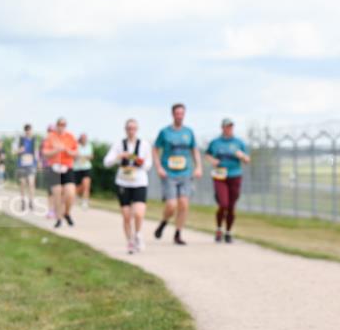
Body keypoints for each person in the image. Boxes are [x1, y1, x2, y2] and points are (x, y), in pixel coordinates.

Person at [153, 103, 201, 246]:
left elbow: (194, 150)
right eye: (177, 113)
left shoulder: (189, 132)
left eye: (182, 113)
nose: (179, 116)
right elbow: (155, 150)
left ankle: (178, 233)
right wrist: (159, 167)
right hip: (169, 173)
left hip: (185, 173)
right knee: (171, 205)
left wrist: (198, 167)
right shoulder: (165, 132)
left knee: (184, 204)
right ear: (173, 114)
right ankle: (164, 222)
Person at [104, 119, 152, 254]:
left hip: (139, 181)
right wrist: (119, 156)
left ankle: (138, 234)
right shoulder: (119, 144)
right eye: (129, 128)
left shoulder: (144, 145)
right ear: (125, 129)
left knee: (138, 213)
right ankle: (129, 242)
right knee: (126, 215)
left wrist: (139, 161)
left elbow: (148, 165)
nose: (131, 131)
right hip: (123, 182)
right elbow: (106, 162)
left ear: (137, 129)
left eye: (134, 128)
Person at [204, 118, 250, 243]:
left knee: (231, 206)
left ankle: (228, 232)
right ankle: (219, 229)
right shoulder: (216, 142)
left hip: (235, 175)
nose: (229, 129)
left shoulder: (239, 142)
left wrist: (242, 156)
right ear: (222, 128)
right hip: (220, 176)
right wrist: (213, 161)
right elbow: (207, 154)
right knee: (223, 204)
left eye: (231, 126)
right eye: (227, 126)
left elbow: (247, 160)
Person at [42, 118, 79, 228]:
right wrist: (56, 150)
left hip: (67, 167)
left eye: (64, 124)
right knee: (57, 194)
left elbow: (76, 153)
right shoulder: (50, 137)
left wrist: (67, 150)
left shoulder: (70, 136)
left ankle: (66, 213)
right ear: (56, 125)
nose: (62, 126)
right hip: (54, 168)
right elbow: (45, 153)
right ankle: (58, 219)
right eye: (60, 124)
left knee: (70, 193)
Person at [14, 124, 38, 212]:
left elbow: (36, 151)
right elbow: (15, 151)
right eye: (26, 130)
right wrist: (19, 151)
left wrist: (37, 161)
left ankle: (31, 201)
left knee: (31, 183)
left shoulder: (34, 140)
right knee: (23, 183)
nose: (28, 131)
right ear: (25, 131)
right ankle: (23, 201)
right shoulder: (21, 140)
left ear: (31, 130)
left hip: (31, 164)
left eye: (29, 129)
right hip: (22, 164)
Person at [73, 133, 94, 209]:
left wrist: (84, 157)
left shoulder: (89, 145)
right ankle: (76, 196)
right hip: (77, 168)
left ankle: (85, 201)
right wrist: (77, 156)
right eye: (83, 138)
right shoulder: (76, 145)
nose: (84, 139)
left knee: (86, 185)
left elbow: (91, 156)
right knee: (78, 186)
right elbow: (74, 156)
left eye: (85, 138)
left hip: (86, 168)